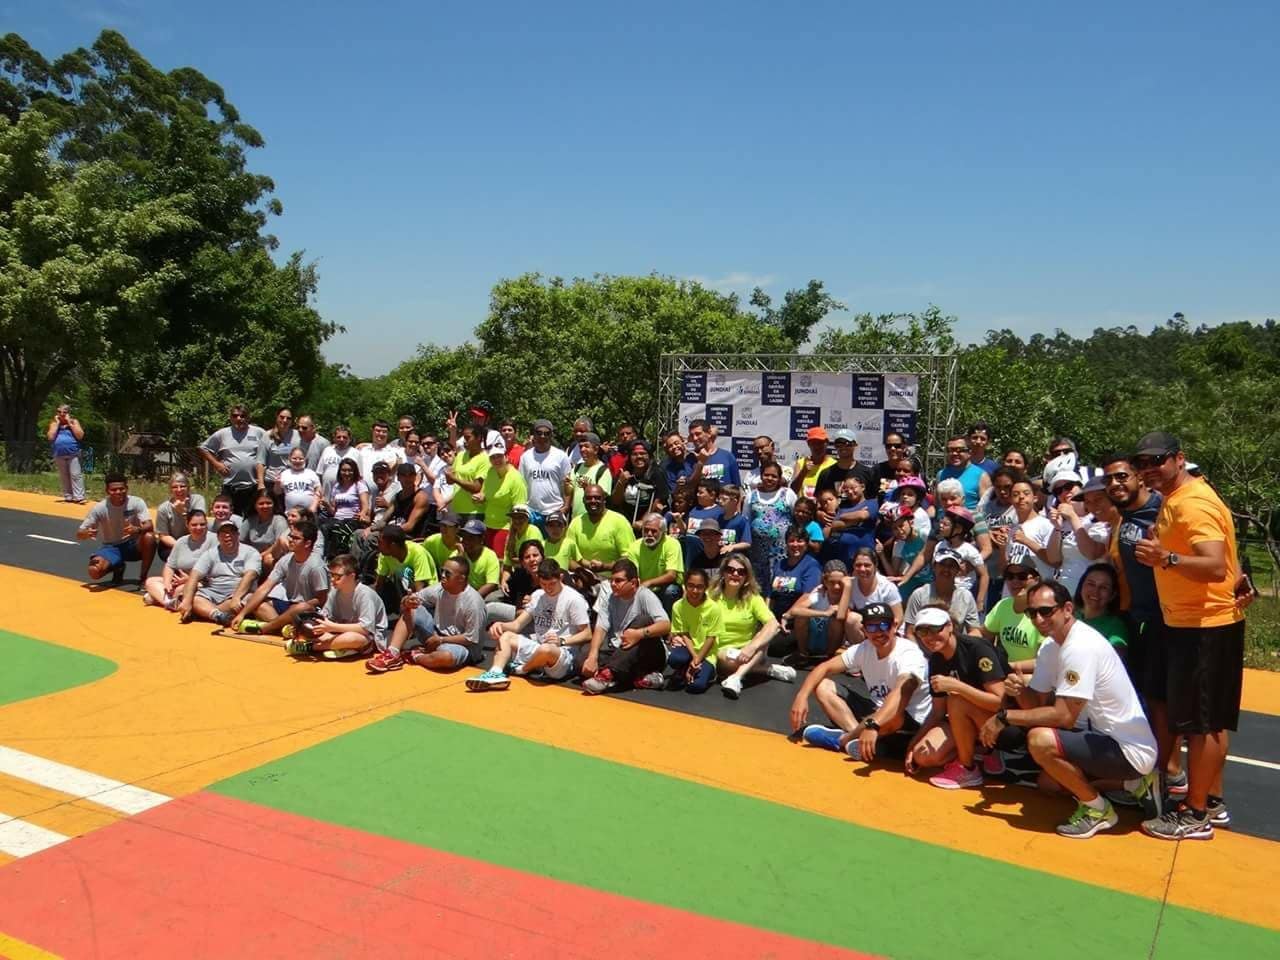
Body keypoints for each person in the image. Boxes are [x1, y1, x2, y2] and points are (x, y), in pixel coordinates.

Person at [1131, 431, 1245, 840]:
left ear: (1179, 458)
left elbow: (1214, 565)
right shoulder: (1178, 498)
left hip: (1204, 626)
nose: (1148, 469)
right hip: (1195, 622)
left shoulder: (1192, 503)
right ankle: (1210, 802)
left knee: (1204, 725)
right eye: (1141, 462)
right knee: (1208, 721)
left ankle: (1196, 814)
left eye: (1156, 460)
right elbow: (1228, 561)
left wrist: (1166, 558)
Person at [979, 580, 1159, 839]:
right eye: (1032, 613)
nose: (1038, 619)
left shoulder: (1080, 647)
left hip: (1127, 750)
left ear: (1067, 609)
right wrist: (1020, 691)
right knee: (1050, 784)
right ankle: (1133, 784)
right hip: (1097, 739)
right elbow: (1037, 706)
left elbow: (1063, 717)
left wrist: (1004, 717)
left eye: (1046, 611)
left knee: (1040, 741)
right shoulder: (1051, 646)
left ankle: (1099, 810)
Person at [791, 602, 932, 763]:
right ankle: (857, 740)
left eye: (883, 625)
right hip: (877, 711)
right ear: (864, 630)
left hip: (908, 722)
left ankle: (844, 740)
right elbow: (825, 667)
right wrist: (802, 696)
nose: (878, 632)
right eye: (871, 627)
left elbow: (901, 693)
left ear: (894, 626)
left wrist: (873, 724)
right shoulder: (864, 649)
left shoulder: (909, 654)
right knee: (823, 686)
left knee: (893, 715)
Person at [911, 606, 1009, 788]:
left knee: (956, 699)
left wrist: (958, 687)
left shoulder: (977, 648)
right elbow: (938, 712)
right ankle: (977, 751)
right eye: (923, 631)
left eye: (935, 629)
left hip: (1004, 724)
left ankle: (968, 768)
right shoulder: (936, 659)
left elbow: (1002, 704)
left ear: (949, 626)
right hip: (964, 722)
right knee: (922, 756)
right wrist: (912, 745)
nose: (929, 637)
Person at [470, 558, 593, 689]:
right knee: (506, 636)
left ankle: (522, 669)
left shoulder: (574, 599)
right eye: (544, 584)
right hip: (538, 646)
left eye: (552, 583)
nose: (548, 588)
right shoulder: (538, 595)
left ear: (561, 577)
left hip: (561, 654)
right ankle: (495, 673)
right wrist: (500, 625)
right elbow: (517, 625)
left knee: (546, 649)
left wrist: (562, 641)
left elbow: (587, 634)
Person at [1102, 452, 1163, 692]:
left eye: (1121, 476)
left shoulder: (1162, 509)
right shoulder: (1124, 514)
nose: (1114, 484)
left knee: (1163, 698)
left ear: (1139, 477)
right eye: (1108, 479)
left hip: (1166, 620)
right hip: (1135, 617)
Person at [367, 555, 486, 672]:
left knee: (445, 657)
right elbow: (413, 599)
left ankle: (414, 656)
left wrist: (441, 640)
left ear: (461, 578)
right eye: (442, 571)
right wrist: (407, 601)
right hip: (436, 637)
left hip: (462, 646)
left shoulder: (474, 602)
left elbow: (470, 638)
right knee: (412, 608)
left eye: (447, 573)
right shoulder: (439, 589)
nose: (442, 575)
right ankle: (392, 654)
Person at [581, 558, 672, 695]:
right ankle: (638, 676)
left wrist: (639, 634)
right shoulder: (609, 598)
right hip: (620, 649)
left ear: (633, 582)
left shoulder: (645, 596)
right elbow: (601, 628)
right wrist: (592, 657)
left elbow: (666, 625)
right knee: (582, 658)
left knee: (643, 620)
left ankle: (607, 675)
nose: (613, 584)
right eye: (612, 580)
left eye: (618, 581)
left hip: (649, 652)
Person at [711, 557, 795, 699]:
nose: (735, 574)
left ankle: (736, 678)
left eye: (741, 572)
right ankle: (766, 670)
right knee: (727, 659)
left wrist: (751, 647)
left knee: (766, 632)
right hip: (721, 651)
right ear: (723, 573)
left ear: (746, 577)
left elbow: (774, 624)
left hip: (749, 652)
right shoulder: (710, 595)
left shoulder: (753, 598)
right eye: (730, 570)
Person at [232, 518, 329, 636]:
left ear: (307, 543)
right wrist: (242, 614)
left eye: (296, 538)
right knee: (252, 600)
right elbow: (265, 588)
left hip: (307, 611)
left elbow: (321, 599)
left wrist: (301, 607)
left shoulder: (316, 566)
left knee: (302, 607)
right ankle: (283, 628)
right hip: (288, 604)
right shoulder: (286, 559)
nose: (290, 540)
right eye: (290, 536)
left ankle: (266, 627)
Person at [284, 553, 387, 659]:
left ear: (352, 576)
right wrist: (307, 626)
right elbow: (325, 617)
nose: (333, 580)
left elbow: (365, 629)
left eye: (338, 577)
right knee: (314, 631)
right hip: (338, 632)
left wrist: (332, 627)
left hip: (367, 638)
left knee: (352, 638)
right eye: (331, 576)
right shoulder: (334, 591)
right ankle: (343, 648)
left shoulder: (365, 594)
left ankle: (311, 647)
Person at [178, 519, 261, 627]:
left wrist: (236, 597)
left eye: (231, 532)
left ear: (238, 534)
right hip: (213, 592)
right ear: (218, 537)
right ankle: (219, 615)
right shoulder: (210, 554)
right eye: (224, 532)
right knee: (191, 596)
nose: (228, 535)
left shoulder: (251, 552)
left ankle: (205, 612)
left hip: (237, 593)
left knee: (249, 598)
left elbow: (250, 576)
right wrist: (187, 601)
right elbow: (194, 575)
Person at [77, 473, 156, 586]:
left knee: (150, 537)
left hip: (133, 545)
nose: (118, 492)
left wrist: (137, 529)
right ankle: (117, 566)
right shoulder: (100, 508)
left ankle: (143, 578)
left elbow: (149, 525)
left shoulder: (136, 502)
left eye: (121, 489)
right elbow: (79, 533)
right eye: (113, 490)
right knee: (94, 571)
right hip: (111, 547)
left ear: (127, 488)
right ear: (107, 491)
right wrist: (86, 533)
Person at [1044, 471, 1110, 594]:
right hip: (1065, 589)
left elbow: (1092, 553)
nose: (1064, 492)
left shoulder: (1097, 517)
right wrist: (1057, 528)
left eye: (1069, 486)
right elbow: (1054, 560)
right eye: (1058, 491)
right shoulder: (1063, 523)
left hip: (1089, 591)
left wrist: (1073, 517)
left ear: (1081, 487)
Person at [660, 567, 723, 693]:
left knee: (696, 686)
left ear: (705, 587)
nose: (695, 590)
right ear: (685, 586)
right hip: (689, 648)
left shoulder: (714, 608)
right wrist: (695, 658)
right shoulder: (678, 606)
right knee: (674, 659)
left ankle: (706, 672)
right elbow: (684, 633)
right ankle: (685, 668)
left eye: (699, 587)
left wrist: (697, 660)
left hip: (707, 653)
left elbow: (711, 639)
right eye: (691, 586)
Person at [200, 405, 266, 517]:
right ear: (230, 418)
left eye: (242, 416)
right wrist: (216, 464)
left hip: (253, 487)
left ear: (248, 417)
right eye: (235, 416)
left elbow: (271, 445)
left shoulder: (258, 432)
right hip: (230, 487)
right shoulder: (222, 434)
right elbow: (203, 448)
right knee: (229, 519)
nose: (239, 418)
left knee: (253, 519)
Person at [979, 560, 1044, 672]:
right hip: (1009, 671)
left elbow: (1044, 661)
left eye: (1022, 576)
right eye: (1010, 576)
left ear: (1036, 580)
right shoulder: (1003, 605)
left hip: (1035, 674)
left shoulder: (1044, 613)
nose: (1015, 581)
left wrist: (1008, 667)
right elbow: (983, 634)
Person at [902, 548, 980, 640]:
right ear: (934, 567)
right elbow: (910, 632)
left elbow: (975, 631)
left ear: (958, 571)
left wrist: (963, 645)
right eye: (942, 564)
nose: (946, 569)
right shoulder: (919, 595)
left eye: (951, 566)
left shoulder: (966, 596)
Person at [143, 508, 213, 610]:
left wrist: (189, 579)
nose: (198, 527)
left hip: (201, 582)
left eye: (202, 524)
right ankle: (169, 602)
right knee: (151, 581)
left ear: (207, 524)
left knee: (181, 589)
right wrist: (167, 583)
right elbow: (169, 565)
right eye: (194, 525)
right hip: (179, 581)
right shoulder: (181, 542)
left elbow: (215, 570)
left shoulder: (214, 540)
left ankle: (159, 598)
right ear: (187, 525)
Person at [989, 478, 1055, 583]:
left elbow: (1054, 561)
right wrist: (1002, 548)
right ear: (1011, 500)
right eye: (1015, 494)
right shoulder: (1011, 530)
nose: (1021, 497)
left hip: (1039, 587)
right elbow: (1003, 571)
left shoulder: (1047, 525)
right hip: (1013, 588)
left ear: (1035, 498)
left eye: (1026, 493)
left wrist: (1026, 540)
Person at [835, 548, 904, 642]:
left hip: (886, 630)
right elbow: (840, 616)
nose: (862, 569)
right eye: (858, 565)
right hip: (866, 630)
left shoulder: (887, 587)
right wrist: (846, 587)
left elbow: (898, 618)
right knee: (851, 619)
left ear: (875, 566)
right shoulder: (851, 585)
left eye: (867, 565)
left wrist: (882, 633)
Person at [745, 462, 796, 589]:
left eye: (774, 476)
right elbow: (746, 520)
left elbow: (797, 518)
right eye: (766, 475)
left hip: (782, 552)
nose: (770, 478)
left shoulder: (788, 494)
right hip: (757, 553)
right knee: (758, 586)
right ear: (761, 476)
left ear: (779, 478)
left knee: (780, 585)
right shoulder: (751, 495)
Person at [786, 559, 848, 662]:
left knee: (836, 620)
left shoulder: (848, 596)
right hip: (814, 638)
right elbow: (795, 611)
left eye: (840, 583)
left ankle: (829, 657)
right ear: (825, 581)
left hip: (833, 641)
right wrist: (825, 613)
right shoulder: (819, 595)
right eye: (832, 582)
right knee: (801, 616)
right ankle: (803, 654)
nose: (836, 587)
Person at [567, 484, 636, 574]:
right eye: (589, 498)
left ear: (604, 500)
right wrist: (585, 574)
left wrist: (605, 566)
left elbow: (629, 558)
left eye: (597, 498)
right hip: (582, 576)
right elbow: (568, 557)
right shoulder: (575, 522)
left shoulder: (619, 521)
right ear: (583, 500)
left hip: (612, 578)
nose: (593, 501)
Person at [519, 419, 574, 529]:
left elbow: (567, 484)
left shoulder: (561, 456)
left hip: (555, 510)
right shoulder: (525, 457)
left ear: (551, 435)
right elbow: (522, 484)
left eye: (546, 433)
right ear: (534, 434)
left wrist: (566, 507)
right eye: (539, 433)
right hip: (532, 511)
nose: (542, 436)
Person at [625, 513, 684, 611]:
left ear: (663, 532)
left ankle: (668, 619)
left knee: (671, 591)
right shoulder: (634, 546)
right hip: (642, 588)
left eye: (654, 531)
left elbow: (671, 575)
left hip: (664, 587)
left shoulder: (672, 544)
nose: (649, 534)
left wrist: (649, 582)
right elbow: (632, 573)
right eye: (646, 530)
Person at [372, 525, 437, 613]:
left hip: (428, 599)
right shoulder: (385, 555)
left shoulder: (418, 553)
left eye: (380, 542)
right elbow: (379, 584)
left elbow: (420, 592)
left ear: (393, 546)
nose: (378, 545)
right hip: (405, 593)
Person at [479, 439, 528, 555]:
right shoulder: (490, 472)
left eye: (499, 456)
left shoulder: (516, 478)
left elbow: (520, 511)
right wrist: (481, 497)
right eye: (493, 457)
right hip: (488, 524)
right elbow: (485, 493)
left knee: (499, 560)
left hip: (505, 527)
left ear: (506, 457)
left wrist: (512, 535)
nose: (496, 460)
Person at [611, 440, 669, 532]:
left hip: (648, 526)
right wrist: (621, 482)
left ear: (649, 456)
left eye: (643, 453)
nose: (639, 457)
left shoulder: (657, 473)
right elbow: (615, 501)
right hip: (625, 522)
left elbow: (659, 500)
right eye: (635, 454)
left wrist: (644, 521)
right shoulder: (624, 473)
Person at [769, 527, 822, 625]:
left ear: (806, 544)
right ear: (786, 544)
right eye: (791, 541)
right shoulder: (780, 564)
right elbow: (771, 595)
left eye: (800, 541)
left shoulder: (811, 565)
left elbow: (808, 596)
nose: (795, 544)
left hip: (797, 619)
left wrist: (787, 616)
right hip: (776, 618)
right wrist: (767, 618)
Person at [823, 476, 879, 566]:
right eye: (846, 490)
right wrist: (855, 520)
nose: (849, 491)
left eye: (853, 488)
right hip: (843, 554)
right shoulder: (843, 508)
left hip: (864, 555)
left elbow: (863, 515)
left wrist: (843, 517)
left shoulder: (872, 503)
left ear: (862, 487)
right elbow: (834, 525)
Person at [488, 538, 546, 625]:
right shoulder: (520, 577)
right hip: (523, 616)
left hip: (546, 620)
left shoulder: (553, 574)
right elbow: (518, 612)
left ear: (543, 557)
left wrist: (535, 603)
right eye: (527, 557)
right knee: (490, 606)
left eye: (535, 555)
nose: (532, 559)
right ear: (522, 562)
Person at [1076, 563, 1129, 655]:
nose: (1095, 591)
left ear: (1112, 595)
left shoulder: (1115, 627)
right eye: (1091, 584)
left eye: (1104, 587)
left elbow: (1115, 659)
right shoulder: (1070, 616)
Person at [255, 407, 300, 512]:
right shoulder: (267, 436)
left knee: (291, 512)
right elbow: (260, 461)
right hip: (271, 482)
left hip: (290, 483)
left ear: (292, 421)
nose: (285, 420)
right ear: (277, 417)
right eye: (282, 417)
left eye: (288, 418)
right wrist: (261, 484)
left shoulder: (297, 436)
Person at [154, 472, 207, 558]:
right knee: (181, 557)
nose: (179, 490)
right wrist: (181, 547)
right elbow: (163, 535)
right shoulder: (163, 508)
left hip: (196, 540)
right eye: (175, 487)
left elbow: (199, 527)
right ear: (170, 490)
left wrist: (183, 512)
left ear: (188, 487)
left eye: (182, 486)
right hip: (173, 543)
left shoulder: (198, 500)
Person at [815, 429, 876, 500]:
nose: (843, 447)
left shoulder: (867, 473)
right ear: (835, 446)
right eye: (839, 444)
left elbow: (873, 500)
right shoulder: (825, 474)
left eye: (847, 444)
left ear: (855, 445)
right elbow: (818, 500)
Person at [936, 434, 991, 510]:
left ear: (970, 452)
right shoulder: (941, 474)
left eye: (959, 450)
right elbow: (936, 504)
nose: (954, 453)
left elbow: (986, 509)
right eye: (950, 450)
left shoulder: (982, 476)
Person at [240, 490, 289, 573]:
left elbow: (279, 545)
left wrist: (259, 556)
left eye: (268, 503)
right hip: (252, 557)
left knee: (268, 559)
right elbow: (240, 542)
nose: (265, 506)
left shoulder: (279, 520)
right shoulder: (249, 521)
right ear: (255, 505)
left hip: (273, 557)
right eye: (261, 503)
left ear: (274, 504)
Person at [567, 432, 613, 518]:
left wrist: (587, 488)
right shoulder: (577, 468)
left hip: (594, 519)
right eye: (581, 447)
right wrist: (566, 484)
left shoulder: (603, 471)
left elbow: (602, 497)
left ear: (596, 450)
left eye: (586, 446)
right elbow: (569, 492)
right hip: (576, 519)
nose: (582, 450)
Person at [47, 403, 86, 503]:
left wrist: (69, 423)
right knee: (64, 476)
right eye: (59, 412)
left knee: (75, 474)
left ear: (68, 413)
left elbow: (80, 435)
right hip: (59, 453)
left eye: (64, 412)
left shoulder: (74, 422)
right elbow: (50, 437)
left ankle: (79, 497)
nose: (61, 414)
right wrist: (57, 424)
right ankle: (68, 496)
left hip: (73, 453)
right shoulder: (54, 424)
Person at [459, 517, 502, 597]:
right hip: (465, 592)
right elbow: (452, 577)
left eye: (471, 537)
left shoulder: (490, 556)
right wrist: (460, 558)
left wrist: (473, 598)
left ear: (482, 539)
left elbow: (491, 584)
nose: (467, 541)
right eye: (465, 537)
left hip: (484, 594)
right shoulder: (459, 553)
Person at [274, 447, 322, 515]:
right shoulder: (284, 474)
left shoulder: (311, 473)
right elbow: (277, 492)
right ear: (289, 459)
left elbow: (318, 491)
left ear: (305, 459)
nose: (297, 461)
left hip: (309, 513)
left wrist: (313, 508)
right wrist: (277, 484)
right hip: (290, 513)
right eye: (294, 458)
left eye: (301, 458)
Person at [790, 426, 834, 499]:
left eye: (820, 443)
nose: (817, 447)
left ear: (826, 443)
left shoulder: (834, 464)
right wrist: (803, 472)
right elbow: (793, 491)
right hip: (804, 505)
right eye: (813, 443)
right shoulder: (800, 463)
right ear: (808, 444)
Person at [359, 420, 405, 488]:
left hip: (387, 492)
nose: (381, 434)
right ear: (372, 431)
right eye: (378, 431)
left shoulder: (395, 452)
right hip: (362, 492)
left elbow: (401, 463)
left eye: (384, 432)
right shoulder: (362, 450)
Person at [316, 425, 356, 493]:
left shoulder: (355, 453)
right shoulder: (327, 450)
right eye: (338, 437)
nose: (341, 439)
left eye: (345, 437)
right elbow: (319, 473)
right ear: (334, 438)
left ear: (350, 439)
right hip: (326, 493)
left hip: (347, 494)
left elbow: (359, 477)